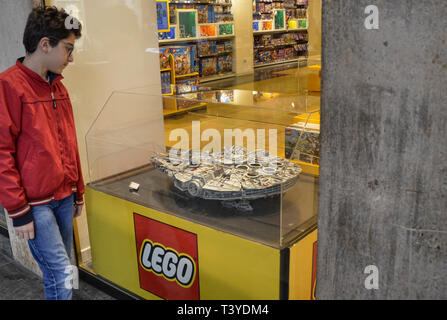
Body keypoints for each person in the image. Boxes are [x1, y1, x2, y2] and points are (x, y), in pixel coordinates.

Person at [0, 6, 84, 300]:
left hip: (64, 197)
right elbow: (1, 153)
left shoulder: (58, 87)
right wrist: (18, 211)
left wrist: (78, 189)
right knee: (61, 272)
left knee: (61, 271)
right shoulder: (8, 85)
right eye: (68, 49)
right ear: (45, 44)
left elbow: (69, 142)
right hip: (36, 204)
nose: (70, 58)